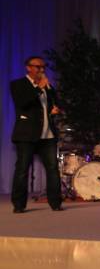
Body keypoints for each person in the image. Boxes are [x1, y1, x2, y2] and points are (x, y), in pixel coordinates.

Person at [10, 56, 63, 213]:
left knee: (53, 169)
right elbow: (23, 103)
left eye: (43, 67)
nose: (41, 70)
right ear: (28, 67)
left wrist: (54, 109)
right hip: (27, 135)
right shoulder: (18, 84)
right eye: (38, 67)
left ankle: (56, 203)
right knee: (22, 170)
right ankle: (19, 205)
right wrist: (39, 88)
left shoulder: (47, 86)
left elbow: (55, 101)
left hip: (47, 135)